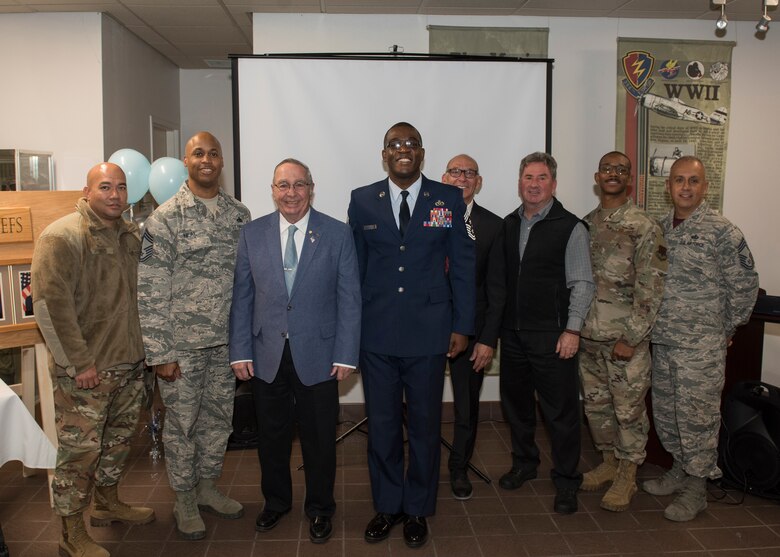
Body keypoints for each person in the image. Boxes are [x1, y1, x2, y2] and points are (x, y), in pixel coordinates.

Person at [348, 122, 475, 548]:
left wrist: (462, 326)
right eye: (394, 144)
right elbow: (356, 273)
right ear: (383, 154)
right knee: (382, 428)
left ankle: (418, 509)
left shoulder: (448, 198)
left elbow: (462, 267)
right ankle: (388, 506)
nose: (403, 150)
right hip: (377, 337)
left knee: (423, 428)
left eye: (411, 144)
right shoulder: (362, 200)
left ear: (422, 154)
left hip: (429, 334)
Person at [229, 159, 361, 543]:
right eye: (283, 185)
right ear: (272, 190)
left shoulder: (336, 234)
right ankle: (276, 502)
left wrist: (346, 353)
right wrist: (240, 350)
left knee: (320, 438)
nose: (291, 193)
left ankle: (320, 508)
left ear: (311, 188)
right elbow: (242, 296)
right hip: (265, 353)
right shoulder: (251, 234)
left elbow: (349, 298)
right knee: (271, 436)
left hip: (320, 354)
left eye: (299, 185)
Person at [32, 162, 154, 557]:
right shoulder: (63, 236)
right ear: (86, 192)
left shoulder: (130, 235)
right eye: (105, 187)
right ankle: (71, 531)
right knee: (79, 454)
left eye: (121, 187)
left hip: (129, 363)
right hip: (87, 372)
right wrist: (77, 363)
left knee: (117, 443)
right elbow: (50, 307)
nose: (115, 194)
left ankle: (107, 501)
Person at [137, 132, 251, 539]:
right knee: (182, 425)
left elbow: (248, 282)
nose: (207, 159)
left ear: (222, 162)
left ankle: (207, 486)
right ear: (186, 161)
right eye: (198, 153)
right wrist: (160, 353)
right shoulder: (164, 218)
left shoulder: (240, 214)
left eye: (213, 153)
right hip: (181, 348)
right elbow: (150, 290)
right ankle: (184, 497)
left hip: (227, 344)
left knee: (219, 421)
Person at [643, 156, 759, 522]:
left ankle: (698, 486)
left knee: (698, 417)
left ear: (705, 187)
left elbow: (745, 284)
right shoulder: (660, 227)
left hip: (701, 347)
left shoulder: (722, 231)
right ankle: (679, 468)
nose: (686, 187)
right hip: (663, 341)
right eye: (679, 180)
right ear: (668, 186)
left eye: (694, 180)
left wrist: (728, 328)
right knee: (667, 413)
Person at [496, 151, 595, 514]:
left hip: (554, 337)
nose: (533, 185)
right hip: (515, 335)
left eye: (541, 178)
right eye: (527, 178)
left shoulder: (571, 227)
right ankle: (524, 463)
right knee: (517, 407)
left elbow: (582, 283)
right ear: (519, 182)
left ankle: (567, 479)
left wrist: (573, 330)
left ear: (553, 184)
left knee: (561, 413)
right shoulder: (508, 225)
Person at [578, 152, 667, 512]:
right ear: (597, 176)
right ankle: (609, 462)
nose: (613, 174)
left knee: (628, 410)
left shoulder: (644, 226)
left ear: (628, 178)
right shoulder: (585, 224)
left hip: (624, 341)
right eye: (607, 169)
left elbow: (652, 287)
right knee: (597, 408)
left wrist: (631, 338)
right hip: (588, 337)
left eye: (621, 170)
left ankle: (628, 473)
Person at [440, 154, 504, 500]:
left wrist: (487, 339)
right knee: (421, 404)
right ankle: (420, 466)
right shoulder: (425, 218)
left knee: (466, 407)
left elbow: (497, 289)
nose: (462, 177)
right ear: (443, 178)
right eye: (455, 171)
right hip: (428, 331)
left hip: (474, 333)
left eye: (469, 173)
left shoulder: (493, 226)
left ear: (478, 182)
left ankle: (459, 468)